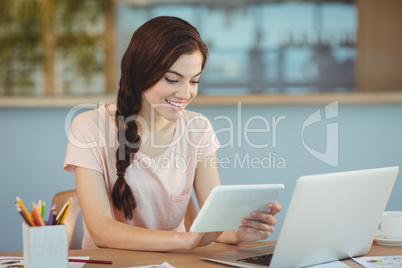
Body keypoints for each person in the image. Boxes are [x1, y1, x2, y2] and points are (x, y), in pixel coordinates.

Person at [64, 16, 281, 251]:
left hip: (176, 263)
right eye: (173, 79)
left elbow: (217, 226)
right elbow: (101, 231)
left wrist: (241, 230)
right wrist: (185, 240)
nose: (185, 93)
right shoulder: (89, 127)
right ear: (141, 72)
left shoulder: (199, 129)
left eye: (194, 81)